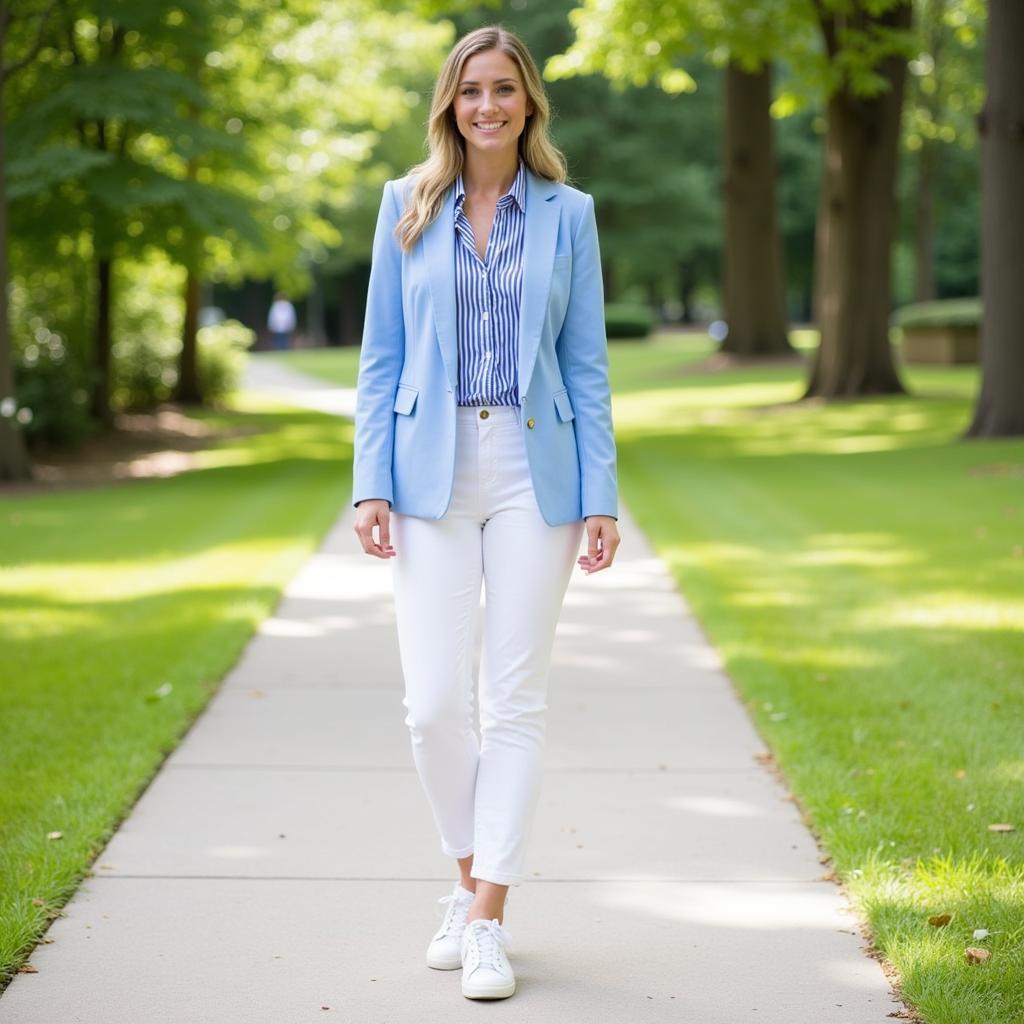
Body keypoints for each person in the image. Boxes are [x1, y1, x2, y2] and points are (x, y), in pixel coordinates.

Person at [351, 24, 620, 1001]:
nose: (489, 106)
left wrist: (602, 495)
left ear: (528, 102)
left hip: (532, 470)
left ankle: (487, 920)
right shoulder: (405, 204)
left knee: (513, 700)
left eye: (505, 89)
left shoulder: (569, 214)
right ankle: (466, 889)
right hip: (428, 468)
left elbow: (586, 366)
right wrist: (367, 479)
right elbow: (381, 357)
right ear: (449, 104)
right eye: (472, 91)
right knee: (431, 704)